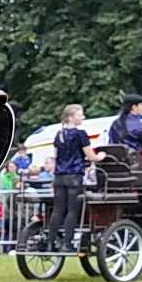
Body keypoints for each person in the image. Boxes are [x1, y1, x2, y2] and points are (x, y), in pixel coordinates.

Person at [48, 103, 104, 251]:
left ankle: (50, 242)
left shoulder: (58, 135)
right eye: (80, 115)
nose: (83, 117)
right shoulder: (80, 134)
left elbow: (55, 157)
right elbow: (90, 156)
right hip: (74, 176)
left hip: (59, 177)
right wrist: (101, 156)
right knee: (72, 210)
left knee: (58, 210)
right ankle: (67, 243)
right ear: (70, 117)